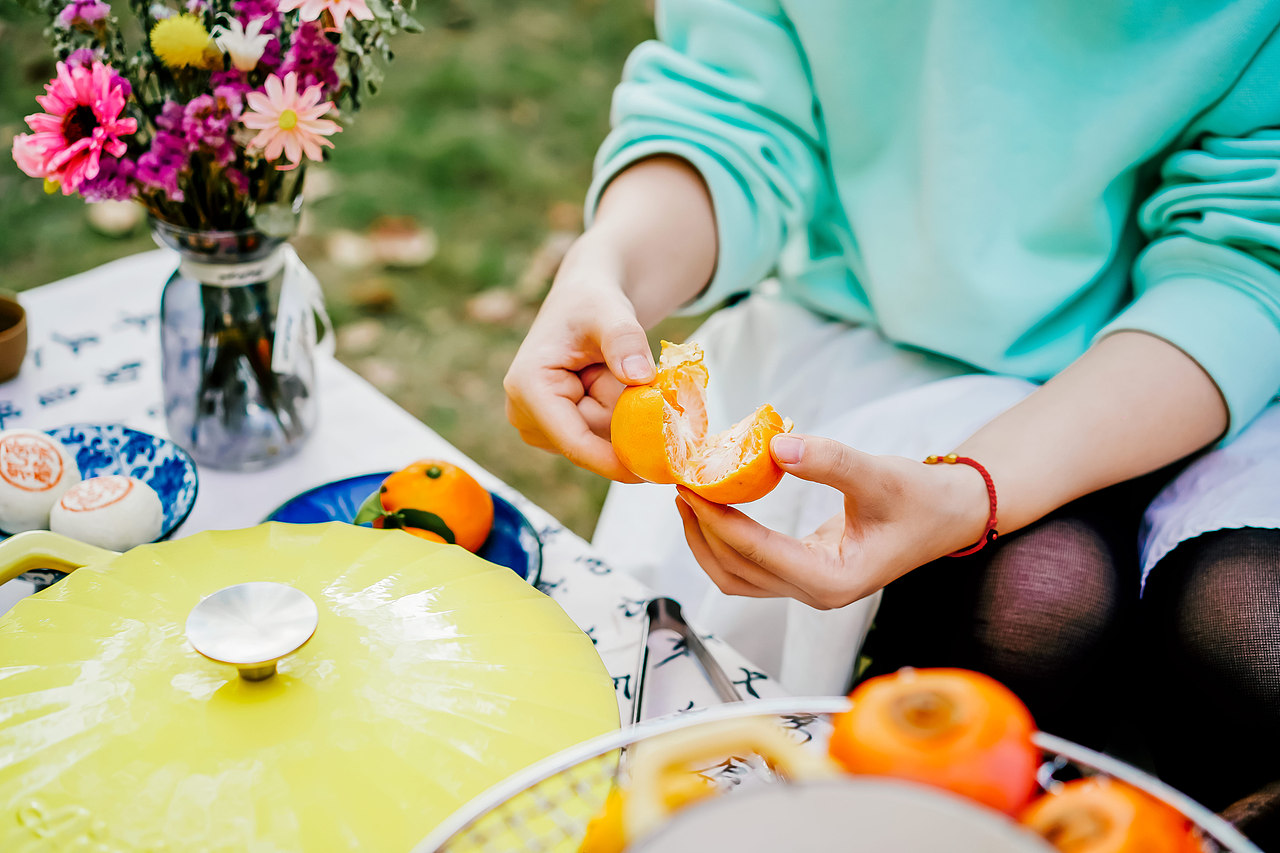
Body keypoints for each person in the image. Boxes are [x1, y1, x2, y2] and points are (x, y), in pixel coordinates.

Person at [503, 0, 1280, 834]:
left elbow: (1244, 257)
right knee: (1039, 595)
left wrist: (974, 488)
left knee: (1248, 629)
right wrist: (610, 264)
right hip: (882, 333)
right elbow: (730, 110)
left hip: (1198, 362)